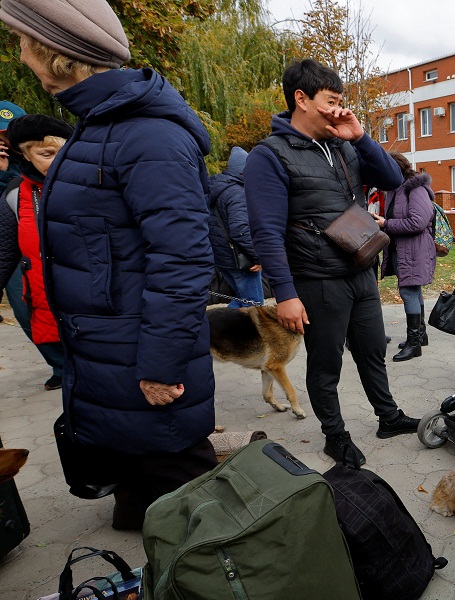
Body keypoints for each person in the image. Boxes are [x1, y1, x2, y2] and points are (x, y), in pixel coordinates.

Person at [1, 0, 219, 530]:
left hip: (140, 358)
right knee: (144, 509)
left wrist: (162, 364)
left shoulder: (147, 135)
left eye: (24, 40)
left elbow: (183, 257)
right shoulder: (96, 127)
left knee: (198, 513)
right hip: (106, 351)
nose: (19, 52)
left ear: (54, 54)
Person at [244, 59, 420, 466]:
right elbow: (266, 232)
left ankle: (388, 417)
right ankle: (334, 435)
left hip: (360, 269)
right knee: (326, 363)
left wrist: (360, 137)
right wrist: (285, 294)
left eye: (342, 101)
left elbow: (394, 179)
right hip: (317, 278)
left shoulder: (344, 144)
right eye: (332, 101)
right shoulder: (269, 156)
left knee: (373, 350)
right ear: (301, 99)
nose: (340, 110)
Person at [0, 114, 72, 391]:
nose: (57, 160)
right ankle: (61, 367)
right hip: (38, 277)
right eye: (44, 154)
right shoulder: (17, 194)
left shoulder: (98, 182)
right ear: (26, 156)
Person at [373, 151, 436, 362]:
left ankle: (414, 344)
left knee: (408, 291)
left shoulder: (414, 189)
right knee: (413, 290)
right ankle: (420, 335)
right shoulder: (396, 189)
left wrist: (385, 224)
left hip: (414, 250)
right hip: (405, 250)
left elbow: (417, 222)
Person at [208, 146, 264, 308]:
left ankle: (226, 329)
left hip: (222, 256)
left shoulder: (218, 188)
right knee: (253, 304)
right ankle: (231, 332)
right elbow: (240, 230)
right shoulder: (237, 193)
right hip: (239, 258)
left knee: (242, 298)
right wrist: (258, 257)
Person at [0, 100, 27, 328]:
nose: (5, 139)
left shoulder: (37, 155)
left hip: (36, 244)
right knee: (24, 311)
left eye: (9, 132)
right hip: (10, 249)